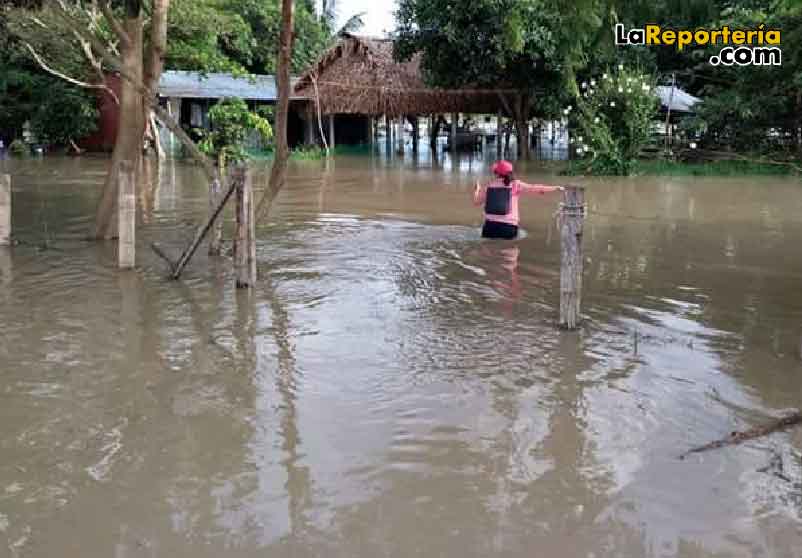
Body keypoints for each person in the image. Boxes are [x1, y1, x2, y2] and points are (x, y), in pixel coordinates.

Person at [473, 160, 562, 239]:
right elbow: (536, 188)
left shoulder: (489, 186)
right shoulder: (516, 185)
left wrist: (477, 190)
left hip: (489, 228)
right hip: (509, 228)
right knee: (510, 254)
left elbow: (476, 202)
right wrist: (555, 188)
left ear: (496, 173)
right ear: (511, 173)